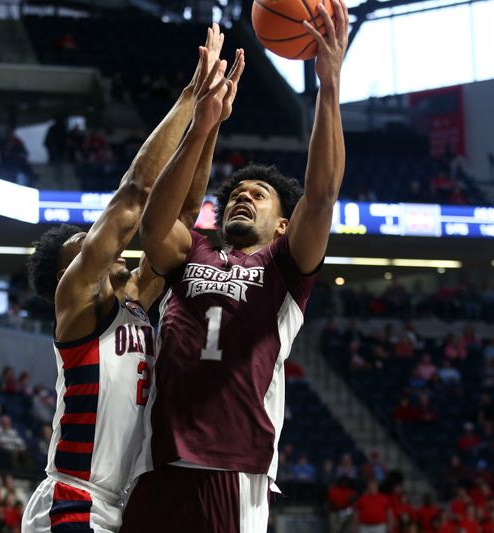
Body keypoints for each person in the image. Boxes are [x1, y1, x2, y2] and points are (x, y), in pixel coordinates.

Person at [123, 1, 348, 530]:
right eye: (236, 194)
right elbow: (155, 224)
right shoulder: (193, 252)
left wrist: (330, 85)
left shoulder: (286, 267)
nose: (244, 197)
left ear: (283, 224)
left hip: (234, 465)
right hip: (157, 462)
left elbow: (320, 197)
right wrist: (202, 126)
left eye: (260, 195)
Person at [22, 26, 244, 533]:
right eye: (85, 242)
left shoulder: (136, 302)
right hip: (71, 500)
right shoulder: (77, 303)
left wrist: (207, 127)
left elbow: (181, 218)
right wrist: (191, 98)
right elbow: (135, 197)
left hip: (129, 505)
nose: (102, 243)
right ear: (67, 270)